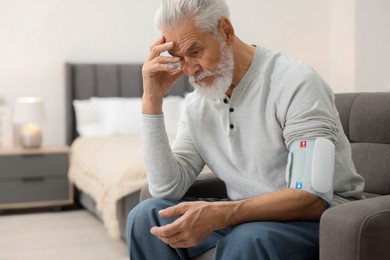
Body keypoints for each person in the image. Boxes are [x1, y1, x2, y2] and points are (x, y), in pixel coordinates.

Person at [127, 0, 365, 259]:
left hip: (322, 218)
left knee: (248, 239)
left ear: (226, 30)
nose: (190, 70)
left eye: (195, 52)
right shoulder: (198, 105)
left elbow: (310, 196)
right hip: (247, 216)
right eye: (180, 59)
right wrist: (152, 100)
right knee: (145, 217)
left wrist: (222, 214)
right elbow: (166, 189)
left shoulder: (294, 82)